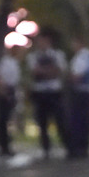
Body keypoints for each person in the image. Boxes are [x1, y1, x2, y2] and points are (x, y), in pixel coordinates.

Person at [26, 29, 69, 159]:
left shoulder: (58, 55)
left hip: (54, 91)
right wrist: (49, 71)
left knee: (60, 119)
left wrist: (45, 72)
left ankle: (67, 145)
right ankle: (46, 148)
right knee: (42, 121)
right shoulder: (33, 57)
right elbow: (35, 72)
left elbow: (59, 71)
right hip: (40, 92)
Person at [67, 36, 89, 159]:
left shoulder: (81, 58)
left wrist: (69, 80)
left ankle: (79, 148)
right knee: (85, 120)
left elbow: (77, 76)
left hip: (80, 92)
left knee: (78, 121)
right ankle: (84, 146)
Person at [0, 44, 22, 157]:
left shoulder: (15, 62)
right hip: (5, 91)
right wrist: (3, 91)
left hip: (11, 90)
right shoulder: (6, 62)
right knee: (3, 119)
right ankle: (3, 145)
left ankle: (6, 144)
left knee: (7, 119)